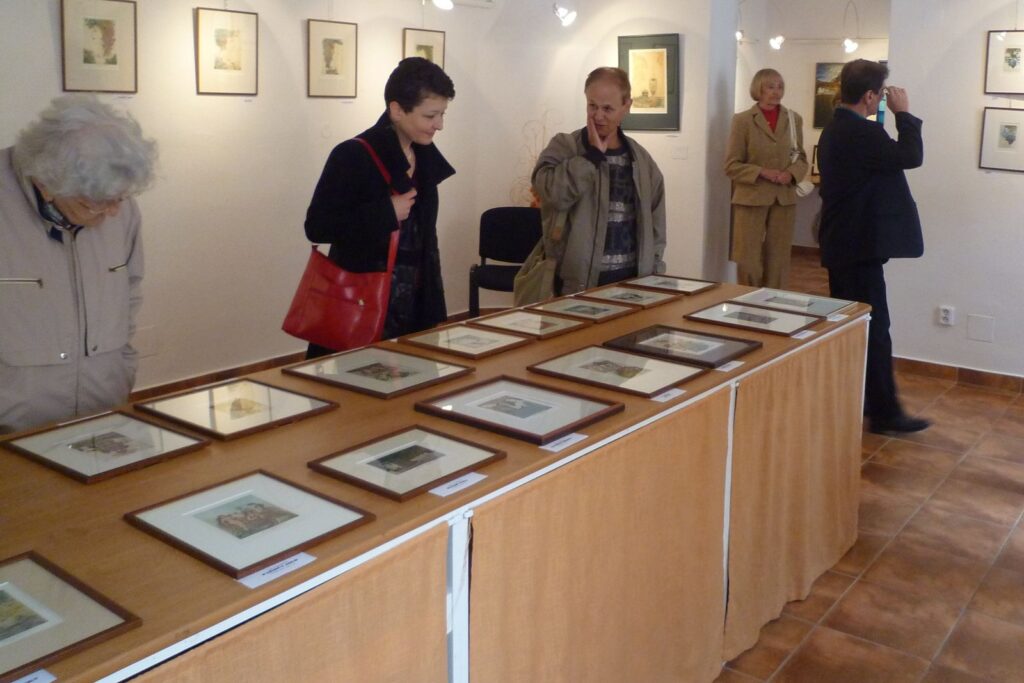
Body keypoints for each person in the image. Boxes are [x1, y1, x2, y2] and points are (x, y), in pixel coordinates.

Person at [0, 94, 157, 434]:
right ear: (47, 184)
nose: (113, 212)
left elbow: (129, 292)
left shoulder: (117, 206)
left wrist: (123, 367)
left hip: (102, 414)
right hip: (12, 429)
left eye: (121, 199)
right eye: (95, 204)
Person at [304, 57, 455, 358]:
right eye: (431, 115)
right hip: (361, 304)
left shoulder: (424, 156)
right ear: (397, 110)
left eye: (442, 114)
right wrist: (386, 212)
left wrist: (435, 310)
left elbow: (427, 242)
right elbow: (318, 226)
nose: (439, 125)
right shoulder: (352, 155)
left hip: (414, 308)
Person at [817, 59, 930, 435]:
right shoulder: (861, 132)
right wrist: (904, 114)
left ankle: (859, 400)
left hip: (845, 244)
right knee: (874, 328)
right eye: (880, 94)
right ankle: (885, 413)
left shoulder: (835, 129)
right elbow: (911, 156)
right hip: (858, 248)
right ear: (868, 96)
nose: (882, 99)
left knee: (857, 328)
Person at [531, 66, 666, 295]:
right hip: (577, 283)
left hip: (633, 283)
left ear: (626, 106)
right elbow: (549, 193)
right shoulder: (565, 146)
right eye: (592, 106)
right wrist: (590, 157)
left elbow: (657, 223)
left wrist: (654, 269)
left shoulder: (642, 160)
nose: (598, 116)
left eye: (607, 108)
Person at [724, 68, 809, 287]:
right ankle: (747, 300)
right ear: (758, 89)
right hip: (751, 198)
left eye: (780, 86)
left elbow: (801, 158)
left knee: (778, 260)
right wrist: (761, 171)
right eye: (770, 86)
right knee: (747, 259)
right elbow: (731, 165)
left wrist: (791, 174)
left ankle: (774, 301)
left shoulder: (794, 119)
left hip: (783, 198)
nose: (776, 91)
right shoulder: (742, 120)